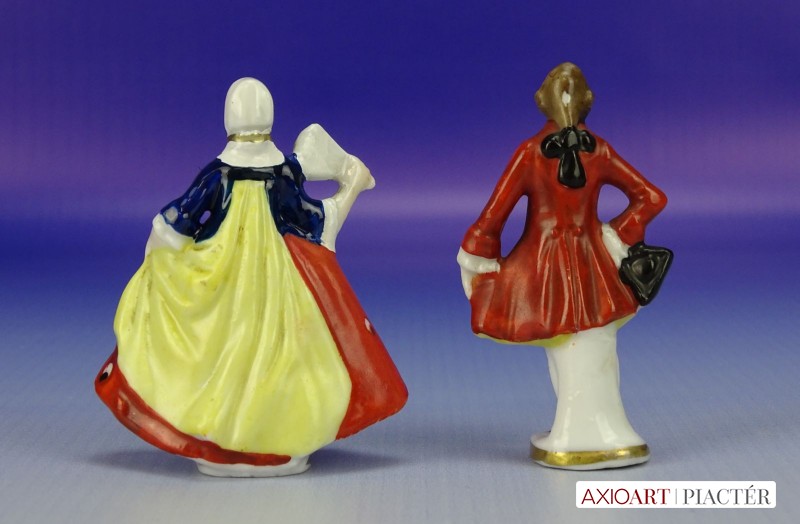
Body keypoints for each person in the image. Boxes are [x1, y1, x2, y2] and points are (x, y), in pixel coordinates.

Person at [95, 78, 407, 477]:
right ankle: (277, 436)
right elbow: (317, 221)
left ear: (229, 120)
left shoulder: (219, 174)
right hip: (280, 284)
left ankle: (227, 435)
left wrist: (157, 255)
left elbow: (177, 220)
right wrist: (350, 190)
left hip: (221, 281)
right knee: (285, 353)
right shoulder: (282, 175)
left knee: (222, 347)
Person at [458, 63, 667, 469]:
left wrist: (476, 258)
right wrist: (616, 234)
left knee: (570, 346)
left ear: (542, 102)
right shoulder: (598, 149)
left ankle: (586, 436)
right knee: (589, 344)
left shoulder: (530, 152)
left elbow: (493, 217)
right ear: (589, 101)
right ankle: (589, 430)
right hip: (591, 262)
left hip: (544, 266)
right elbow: (652, 198)